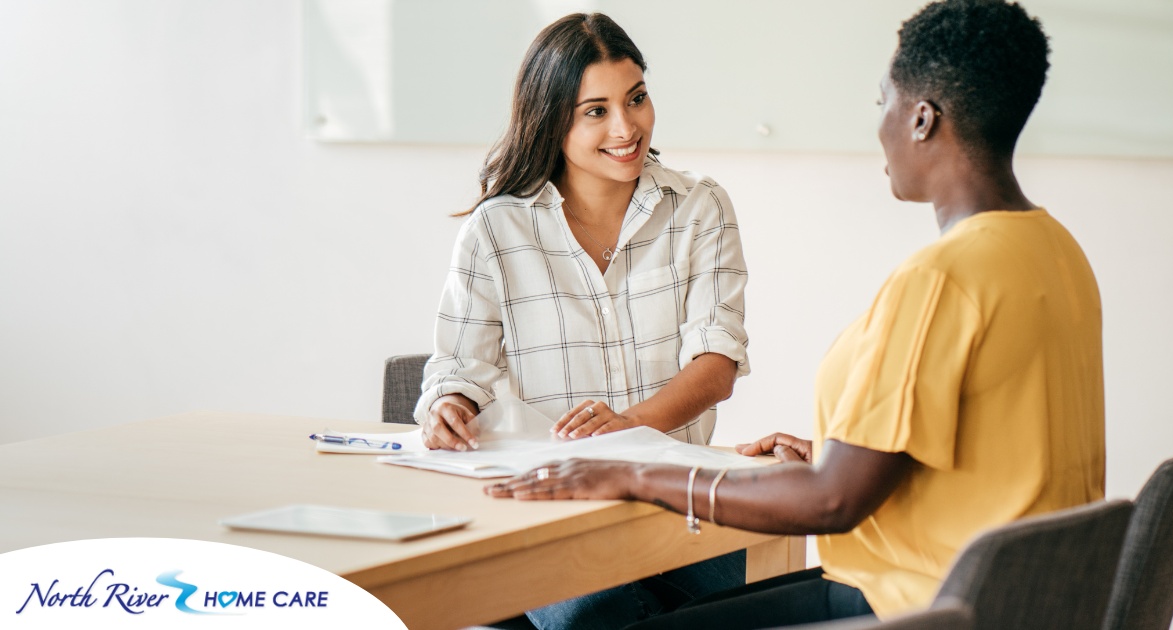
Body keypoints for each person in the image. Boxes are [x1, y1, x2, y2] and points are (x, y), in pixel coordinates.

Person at [486, 1, 1106, 628]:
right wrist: (836, 456)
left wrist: (635, 475)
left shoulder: (940, 280)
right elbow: (993, 452)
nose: (880, 125)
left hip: (913, 605)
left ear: (921, 119)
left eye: (882, 102)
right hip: (1017, 600)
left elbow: (832, 504)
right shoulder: (1055, 251)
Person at [414, 13, 751, 630]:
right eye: (595, 111)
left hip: (678, 506)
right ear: (551, 120)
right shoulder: (495, 230)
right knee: (597, 616)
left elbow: (716, 366)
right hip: (551, 511)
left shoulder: (700, 207)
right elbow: (458, 368)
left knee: (732, 607)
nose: (627, 127)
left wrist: (627, 429)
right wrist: (450, 404)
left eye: (637, 99)